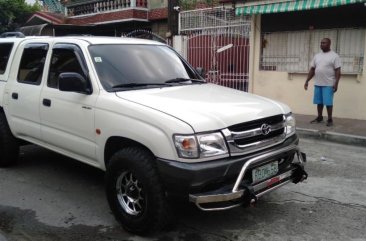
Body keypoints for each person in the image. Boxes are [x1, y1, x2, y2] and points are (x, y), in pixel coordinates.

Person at [304, 38, 341, 127]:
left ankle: (330, 119)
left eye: (324, 43)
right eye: (321, 43)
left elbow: (338, 71)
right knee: (319, 102)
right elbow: (312, 69)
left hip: (328, 84)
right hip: (318, 83)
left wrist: (336, 83)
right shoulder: (317, 56)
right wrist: (307, 81)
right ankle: (320, 117)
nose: (322, 44)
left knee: (328, 103)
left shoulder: (334, 56)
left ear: (329, 44)